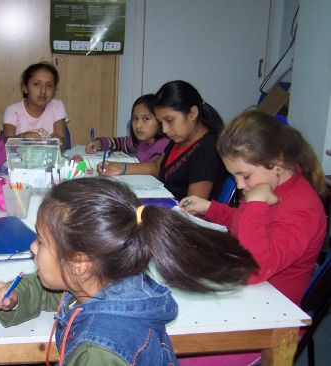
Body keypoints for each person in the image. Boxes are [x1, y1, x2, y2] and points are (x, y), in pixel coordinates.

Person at [0, 178, 258, 366]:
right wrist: (16, 297)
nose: (32, 247)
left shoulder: (96, 354)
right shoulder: (110, 279)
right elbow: (55, 294)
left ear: (79, 262)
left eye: (41, 241)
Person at [181, 109, 327, 307]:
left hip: (273, 313)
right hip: (247, 292)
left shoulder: (302, 210)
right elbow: (246, 221)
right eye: (234, 177)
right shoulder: (265, 185)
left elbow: (254, 270)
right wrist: (210, 208)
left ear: (277, 161)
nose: (240, 185)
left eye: (245, 176)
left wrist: (256, 204)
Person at [99, 81, 226, 201]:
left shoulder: (208, 150)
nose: (164, 129)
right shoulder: (179, 138)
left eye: (170, 120)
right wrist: (121, 168)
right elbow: (157, 166)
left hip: (182, 218)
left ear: (193, 113)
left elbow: (193, 207)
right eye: (161, 122)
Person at [85, 94, 170, 175]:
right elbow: (120, 142)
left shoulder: (164, 145)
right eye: (135, 119)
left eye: (146, 119)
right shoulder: (140, 142)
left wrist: (122, 167)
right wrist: (99, 143)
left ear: (160, 120)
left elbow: (154, 168)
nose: (138, 125)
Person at [2, 62, 69, 150]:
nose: (43, 91)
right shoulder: (12, 111)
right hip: (20, 161)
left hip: (48, 161)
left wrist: (59, 141)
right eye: (37, 84)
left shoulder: (56, 106)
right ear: (25, 87)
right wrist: (22, 137)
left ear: (54, 90)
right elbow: (6, 143)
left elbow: (62, 144)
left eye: (49, 86)